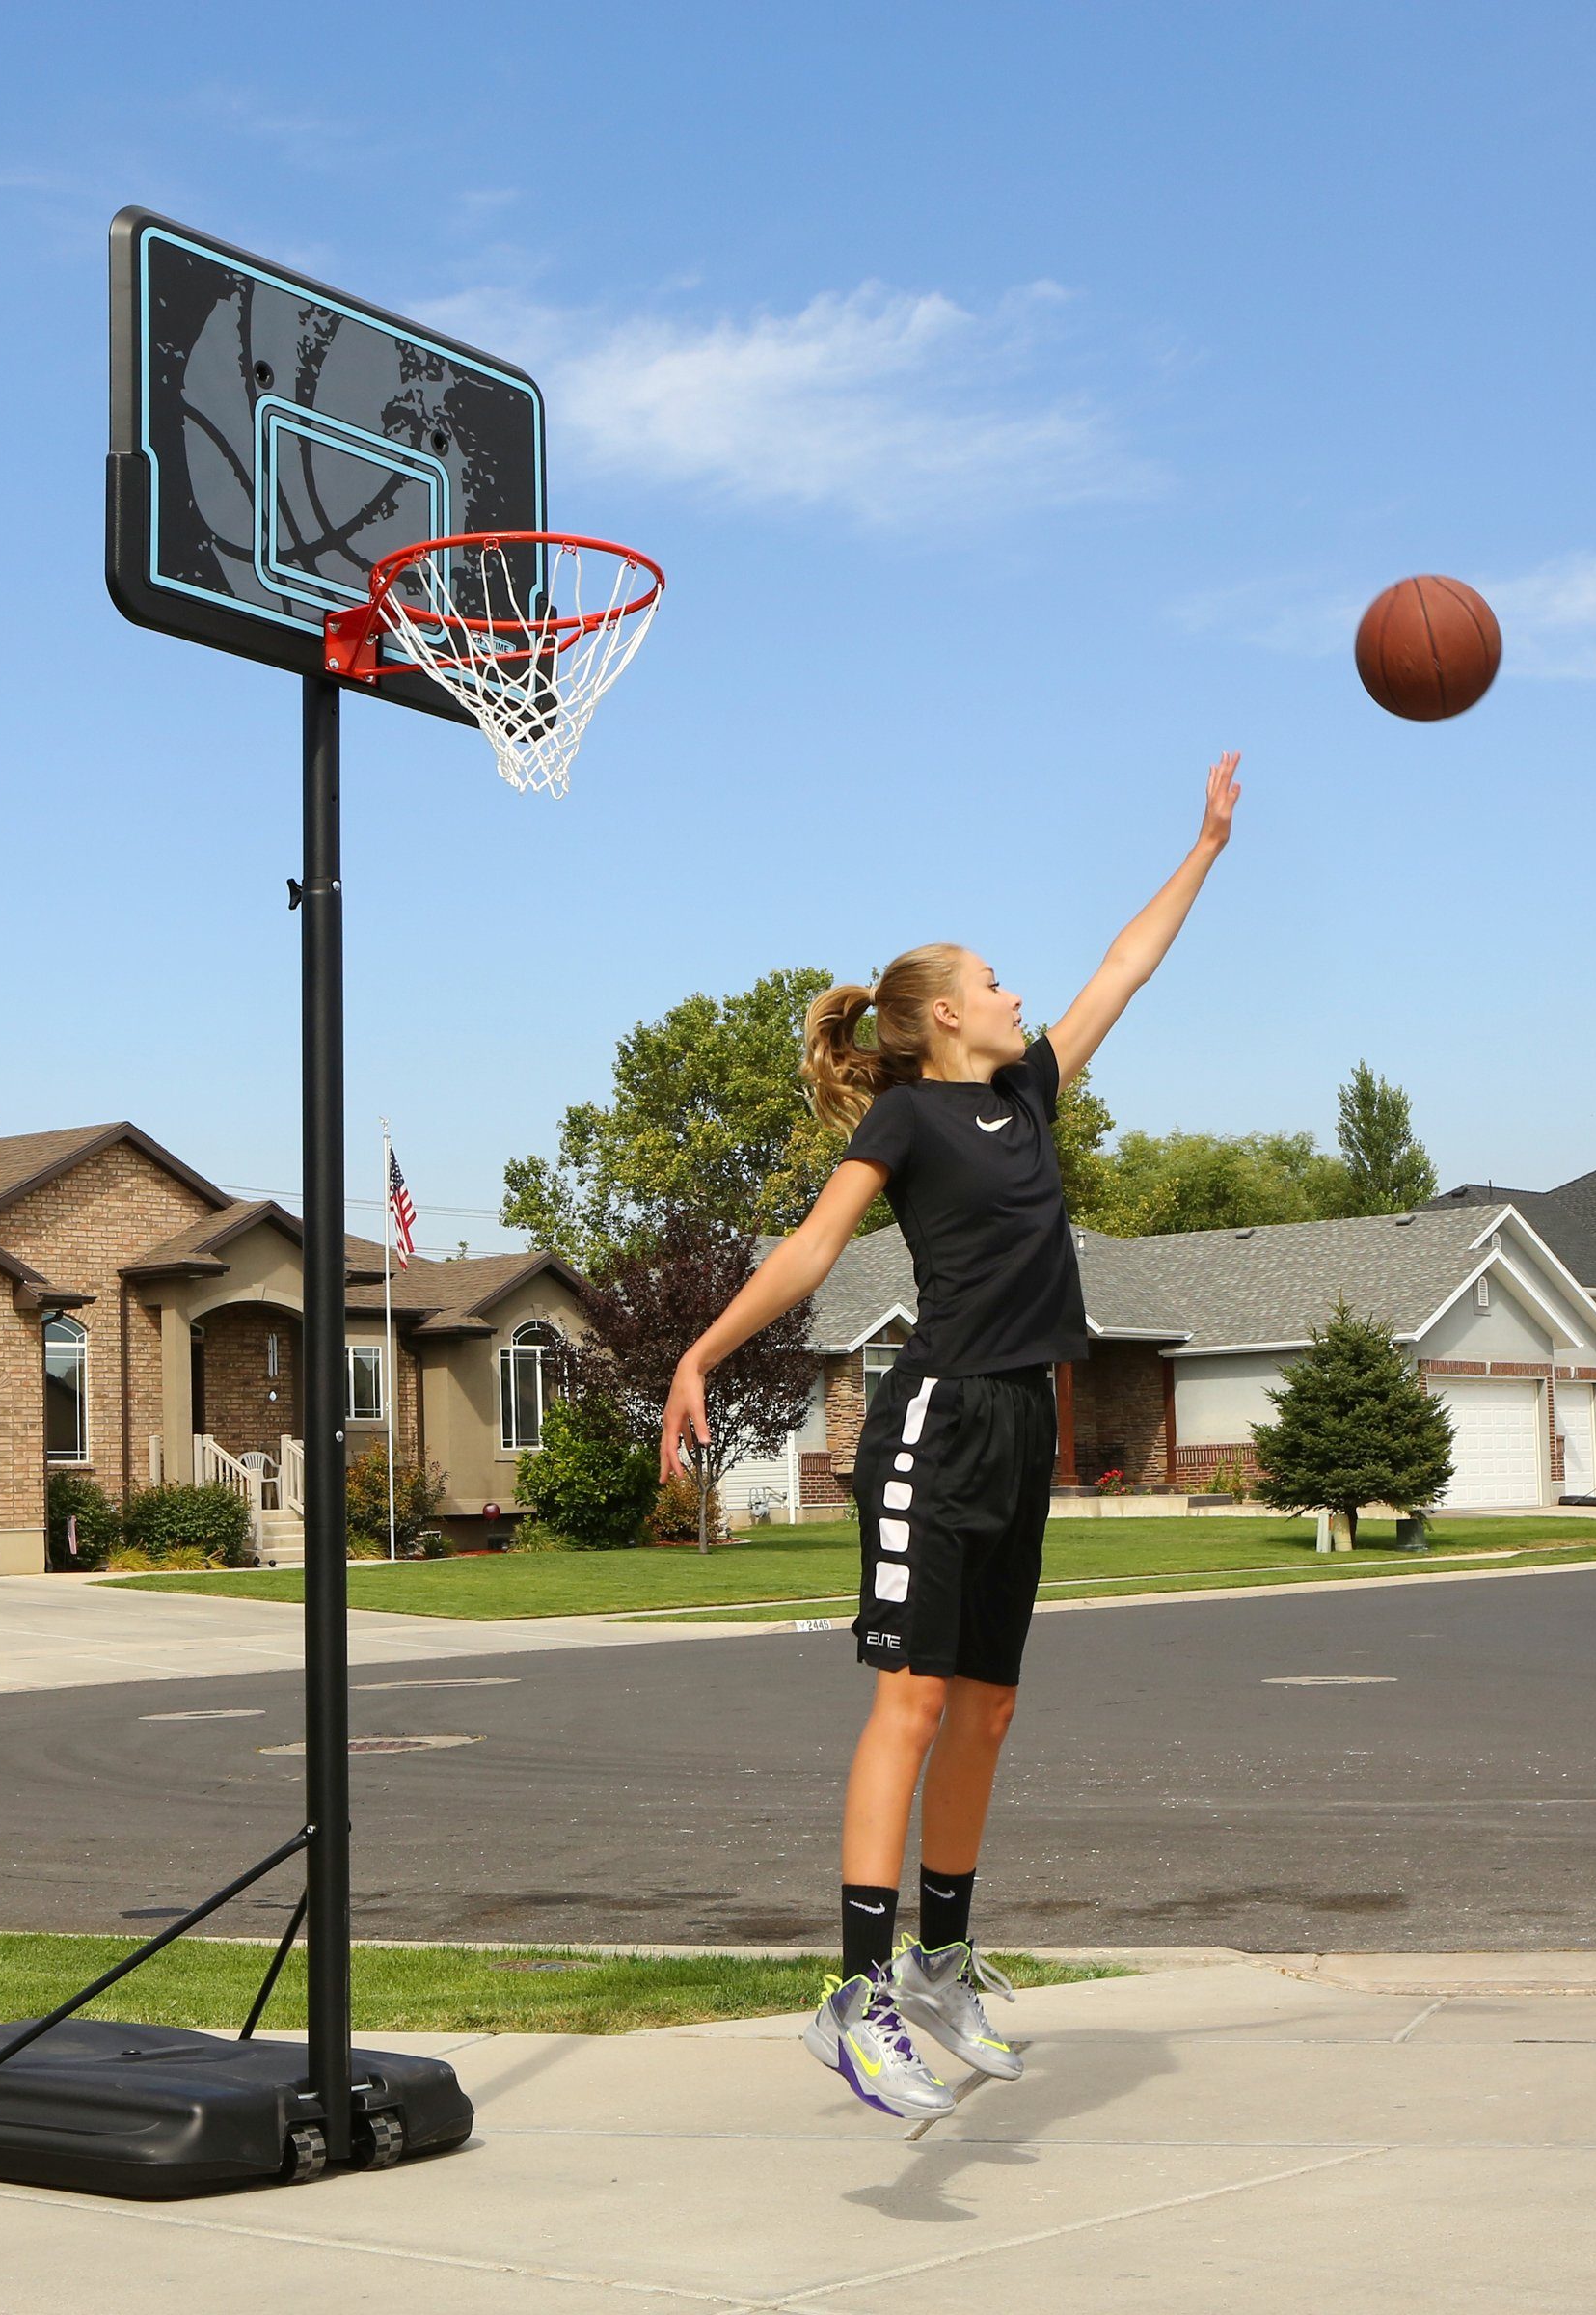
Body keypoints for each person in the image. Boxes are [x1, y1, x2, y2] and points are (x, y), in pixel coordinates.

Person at [663, 752, 1243, 2118]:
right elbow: (813, 1250)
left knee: (989, 1706)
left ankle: (940, 1962)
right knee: (912, 1704)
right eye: (992, 982)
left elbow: (1122, 967)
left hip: (1021, 1422)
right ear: (937, 1021)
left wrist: (1206, 844)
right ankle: (854, 1997)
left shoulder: (1028, 1092)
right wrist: (699, 1351)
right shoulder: (907, 1115)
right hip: (930, 1421)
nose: (1018, 994)